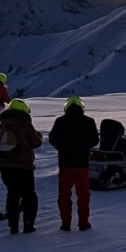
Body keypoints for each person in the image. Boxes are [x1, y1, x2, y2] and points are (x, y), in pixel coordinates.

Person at [49, 96, 99, 232]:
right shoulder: (89, 121)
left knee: (64, 195)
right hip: (82, 164)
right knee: (83, 195)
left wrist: (60, 145)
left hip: (65, 164)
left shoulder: (60, 121)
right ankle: (83, 222)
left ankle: (65, 223)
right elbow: (95, 140)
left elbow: (52, 139)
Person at [0, 98, 43, 234]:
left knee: (12, 194)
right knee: (29, 195)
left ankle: (13, 225)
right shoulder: (25, 124)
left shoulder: (2, 124)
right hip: (23, 166)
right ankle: (28, 224)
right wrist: (38, 136)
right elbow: (36, 143)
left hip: (5, 166)